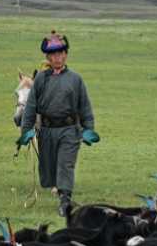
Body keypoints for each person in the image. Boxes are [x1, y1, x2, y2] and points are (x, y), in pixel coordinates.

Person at [16, 31, 100, 217]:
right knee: (49, 169)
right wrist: (26, 131)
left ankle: (65, 201)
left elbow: (85, 107)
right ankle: (60, 190)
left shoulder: (76, 79)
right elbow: (31, 107)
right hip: (46, 131)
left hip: (70, 130)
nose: (57, 58)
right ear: (48, 58)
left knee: (65, 163)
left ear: (66, 55)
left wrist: (88, 129)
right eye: (53, 54)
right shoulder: (40, 79)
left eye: (61, 53)